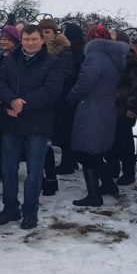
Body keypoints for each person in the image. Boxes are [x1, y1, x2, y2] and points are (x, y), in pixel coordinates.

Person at [0, 25, 63, 229]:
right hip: (11, 122)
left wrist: (22, 105)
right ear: (21, 40)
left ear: (42, 40)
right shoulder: (10, 59)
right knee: (8, 169)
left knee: (34, 171)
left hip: (37, 125)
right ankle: (10, 208)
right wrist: (11, 101)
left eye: (34, 39)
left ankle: (30, 211)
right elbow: (0, 83)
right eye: (26, 39)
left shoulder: (52, 62)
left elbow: (51, 90)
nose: (30, 43)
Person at [68, 25, 129, 206]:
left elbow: (84, 83)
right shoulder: (114, 56)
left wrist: (70, 98)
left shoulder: (95, 56)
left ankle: (94, 195)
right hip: (106, 107)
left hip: (91, 109)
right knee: (95, 151)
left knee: (86, 152)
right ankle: (109, 184)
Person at [109, 30, 137, 185]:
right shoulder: (110, 60)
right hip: (109, 109)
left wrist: (132, 107)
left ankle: (128, 173)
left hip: (124, 109)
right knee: (111, 142)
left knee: (125, 143)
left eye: (112, 39)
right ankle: (113, 169)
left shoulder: (133, 61)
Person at [38, 18, 74, 196]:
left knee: (47, 142)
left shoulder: (63, 50)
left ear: (54, 33)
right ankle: (41, 179)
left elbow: (66, 74)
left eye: (47, 32)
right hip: (38, 102)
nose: (45, 35)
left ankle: (51, 179)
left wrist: (49, 87)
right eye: (42, 32)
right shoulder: (37, 50)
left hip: (56, 101)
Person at [0, 25, 21, 182]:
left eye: (8, 39)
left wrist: (9, 97)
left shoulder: (19, 56)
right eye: (2, 39)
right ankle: (0, 167)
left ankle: (12, 168)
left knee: (13, 140)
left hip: (13, 101)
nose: (4, 42)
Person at [56, 24, 86, 174]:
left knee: (66, 132)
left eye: (64, 32)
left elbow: (72, 76)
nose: (62, 35)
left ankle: (68, 162)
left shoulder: (75, 52)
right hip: (72, 97)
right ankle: (71, 161)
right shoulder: (80, 49)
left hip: (69, 97)